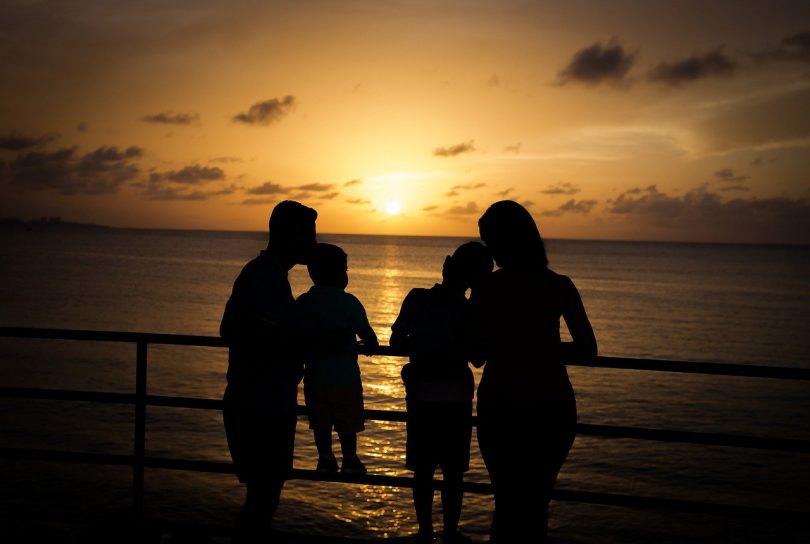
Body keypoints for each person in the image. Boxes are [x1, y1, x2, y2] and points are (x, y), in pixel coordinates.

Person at [472, 200, 597, 543]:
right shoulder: (559, 285)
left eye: (490, 241)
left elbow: (475, 353)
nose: (489, 250)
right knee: (536, 504)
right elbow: (588, 350)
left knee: (507, 502)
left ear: (504, 241)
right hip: (551, 404)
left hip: (502, 405)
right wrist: (541, 347)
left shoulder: (487, 287)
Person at [219, 200, 317, 543]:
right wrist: (301, 340)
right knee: (264, 495)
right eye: (309, 234)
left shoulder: (264, 273)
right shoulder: (266, 277)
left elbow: (230, 328)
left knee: (263, 493)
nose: (314, 242)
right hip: (261, 403)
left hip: (258, 399)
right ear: (290, 234)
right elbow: (241, 331)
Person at [390, 242, 493, 544]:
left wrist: (422, 354)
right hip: (457, 399)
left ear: (446, 265)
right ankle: (450, 533)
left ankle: (425, 532)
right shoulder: (470, 310)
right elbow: (478, 357)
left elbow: (397, 341)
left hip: (422, 397)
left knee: (422, 472)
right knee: (454, 474)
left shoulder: (418, 299)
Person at [295, 242, 378, 475]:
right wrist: (365, 344)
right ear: (339, 274)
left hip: (315, 377)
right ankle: (350, 458)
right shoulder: (349, 302)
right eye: (345, 270)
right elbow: (369, 337)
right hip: (346, 378)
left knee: (320, 420)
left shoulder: (304, 302)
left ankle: (325, 457)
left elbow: (296, 336)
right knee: (348, 420)